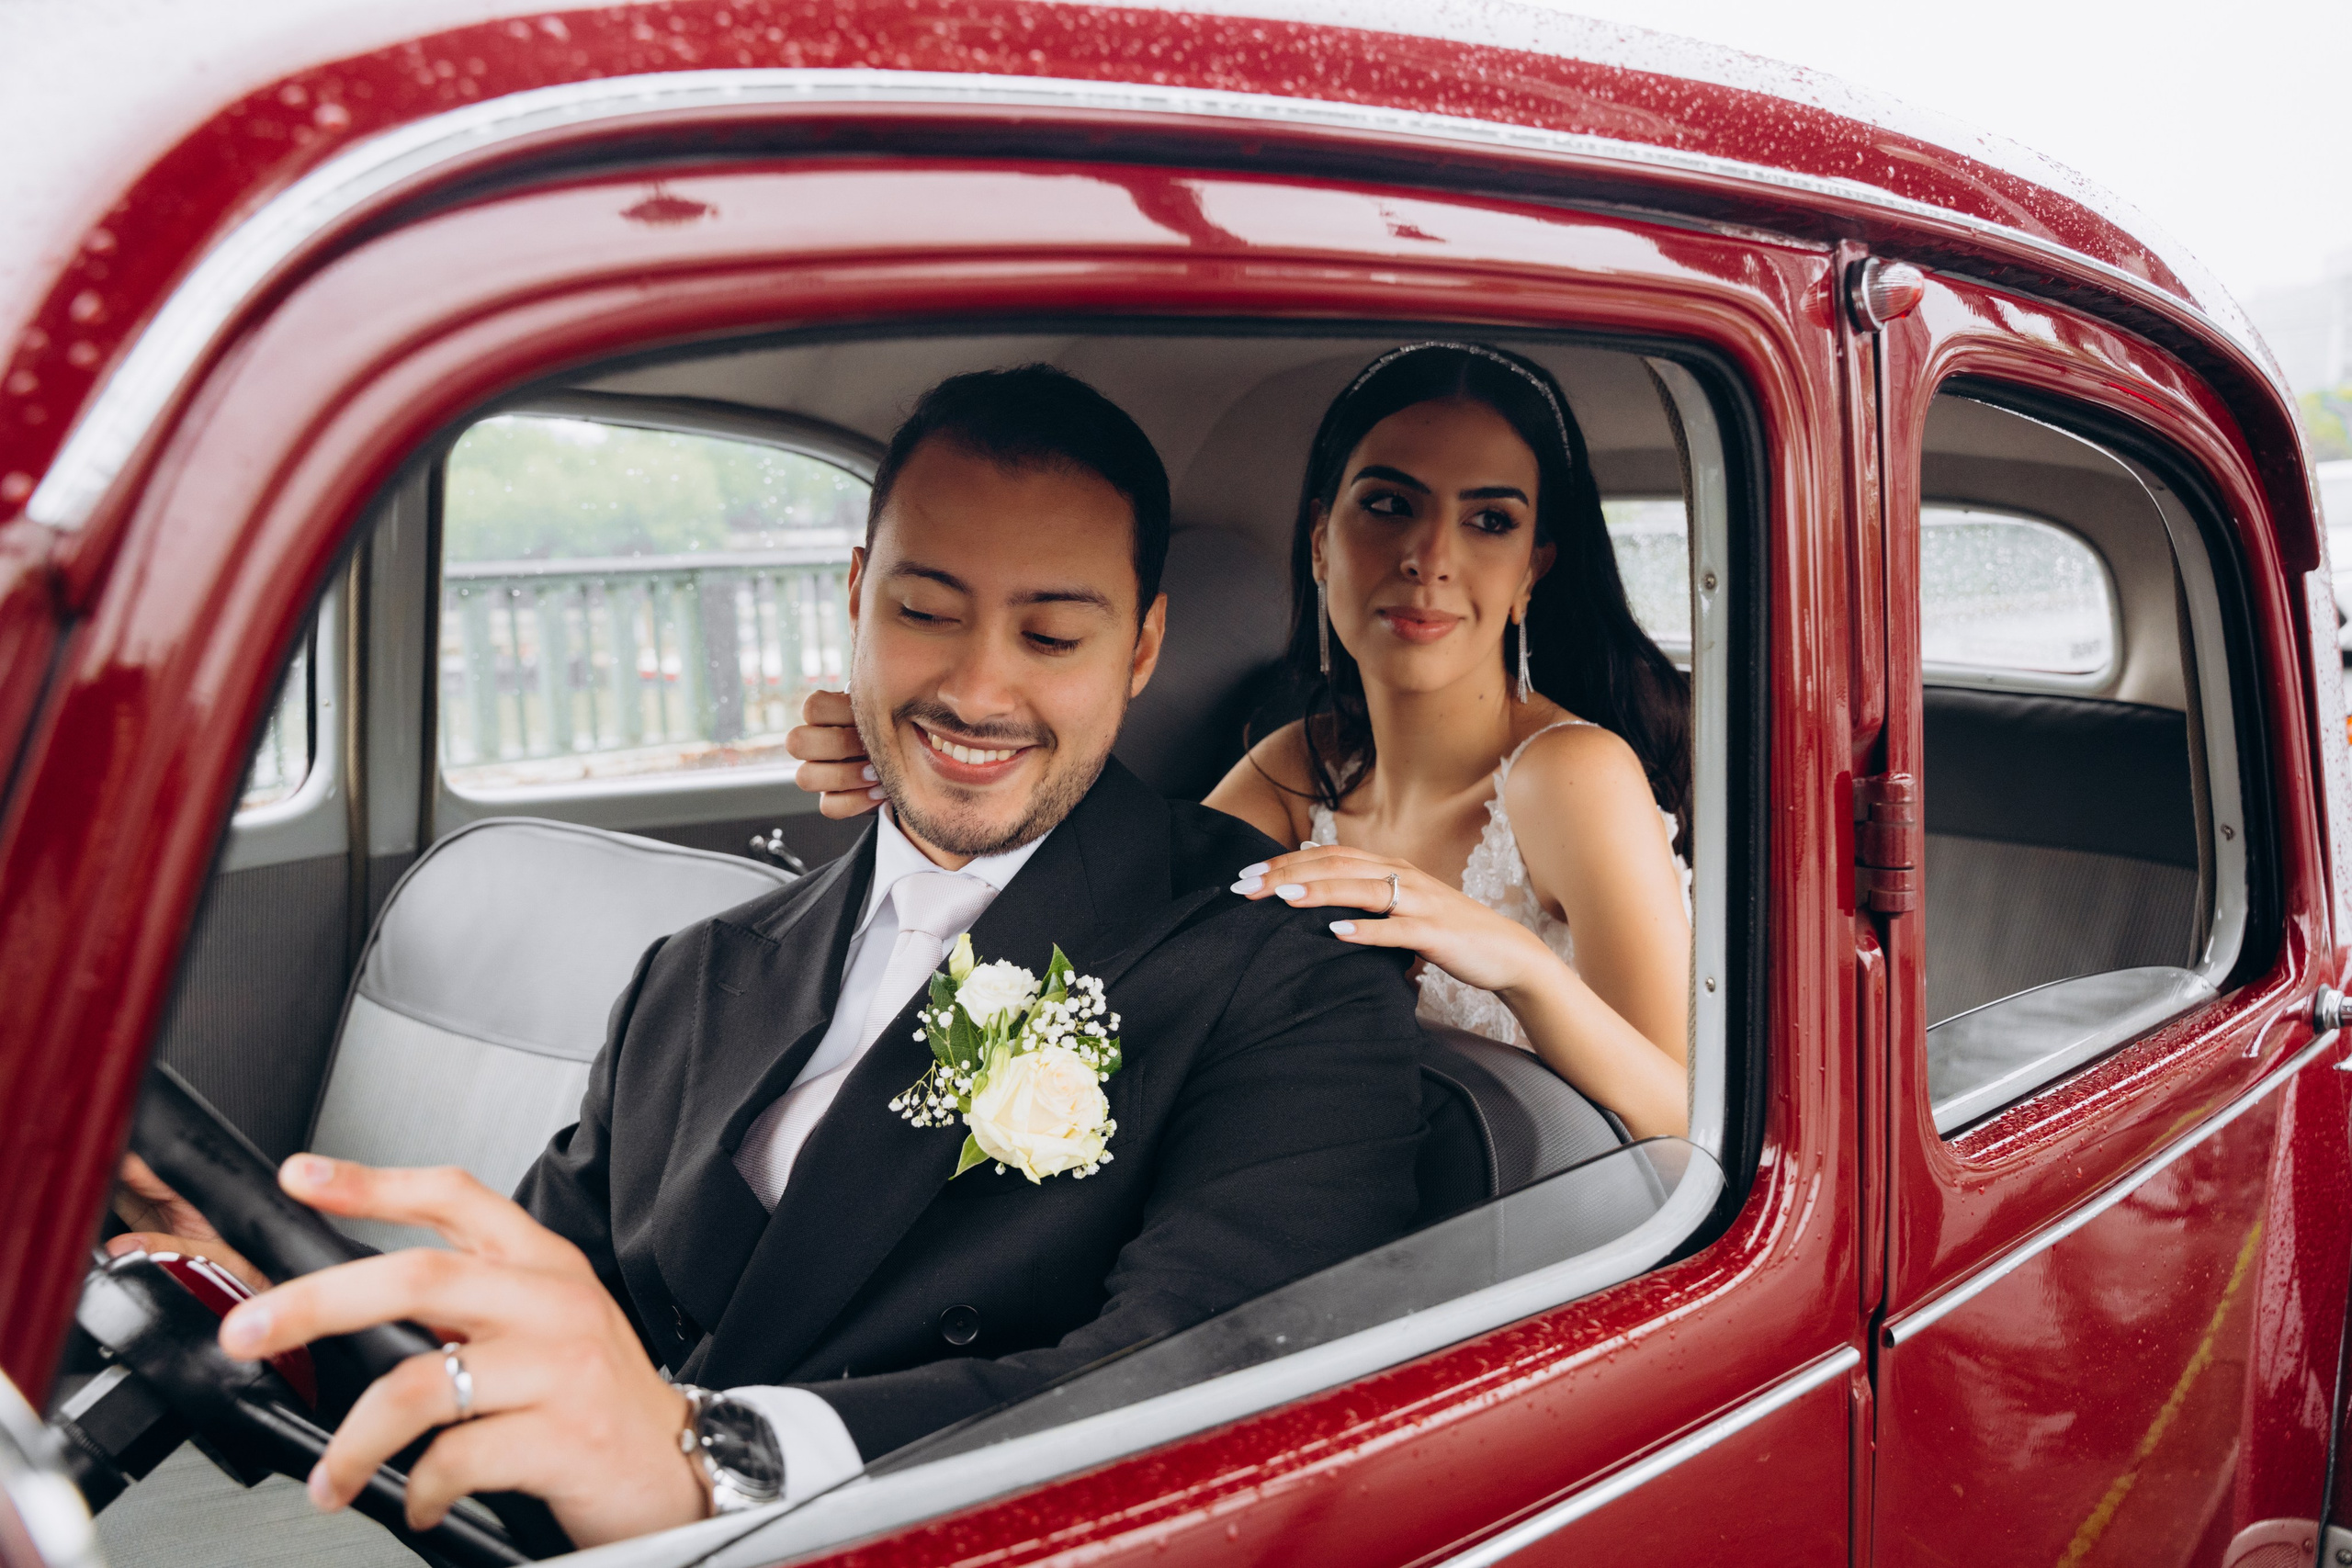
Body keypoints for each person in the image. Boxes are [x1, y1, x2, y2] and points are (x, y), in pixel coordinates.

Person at [111, 365, 1427, 1549]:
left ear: (1140, 649)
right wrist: (287, 1299)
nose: (977, 688)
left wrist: (706, 1460)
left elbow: (1205, 1383)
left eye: (1051, 635)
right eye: (924, 607)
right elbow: (553, 1304)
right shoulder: (694, 971)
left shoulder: (1291, 970)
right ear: (857, 596)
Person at [794, 344, 1692, 1140]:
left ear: (1532, 568)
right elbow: (1114, 904)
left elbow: (1688, 1114)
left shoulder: (1571, 777)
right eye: (1387, 504)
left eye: (1489, 520)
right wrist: (933, 762)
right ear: (1319, 539)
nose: (1430, 555)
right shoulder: (1298, 765)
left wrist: (1523, 969)